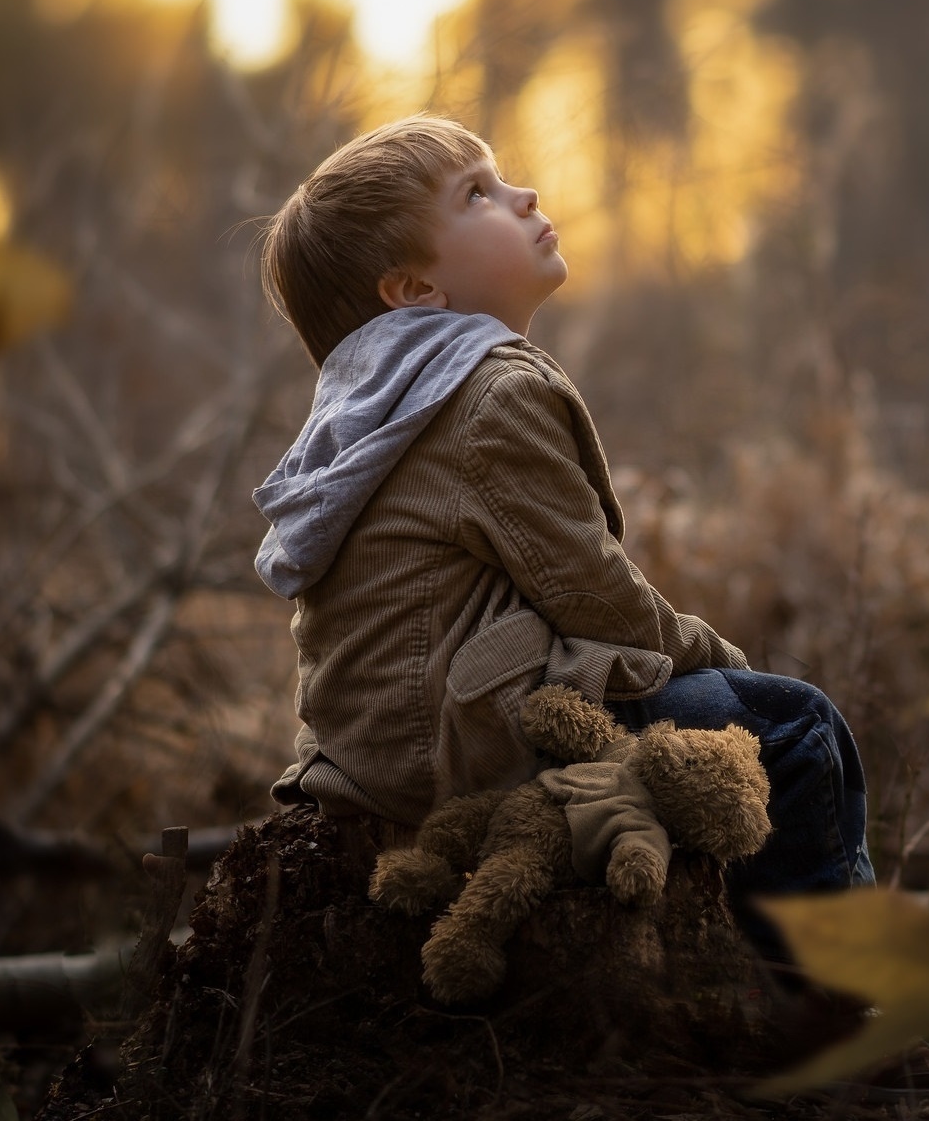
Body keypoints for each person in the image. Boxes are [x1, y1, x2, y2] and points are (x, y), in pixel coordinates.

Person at [252, 114, 878, 933]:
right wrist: (716, 655)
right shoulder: (487, 397)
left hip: (383, 750)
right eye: (478, 194)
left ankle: (741, 963)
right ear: (413, 290)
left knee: (728, 720)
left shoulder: (372, 404)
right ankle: (832, 1000)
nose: (525, 195)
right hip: (465, 746)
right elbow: (594, 594)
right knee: (793, 726)